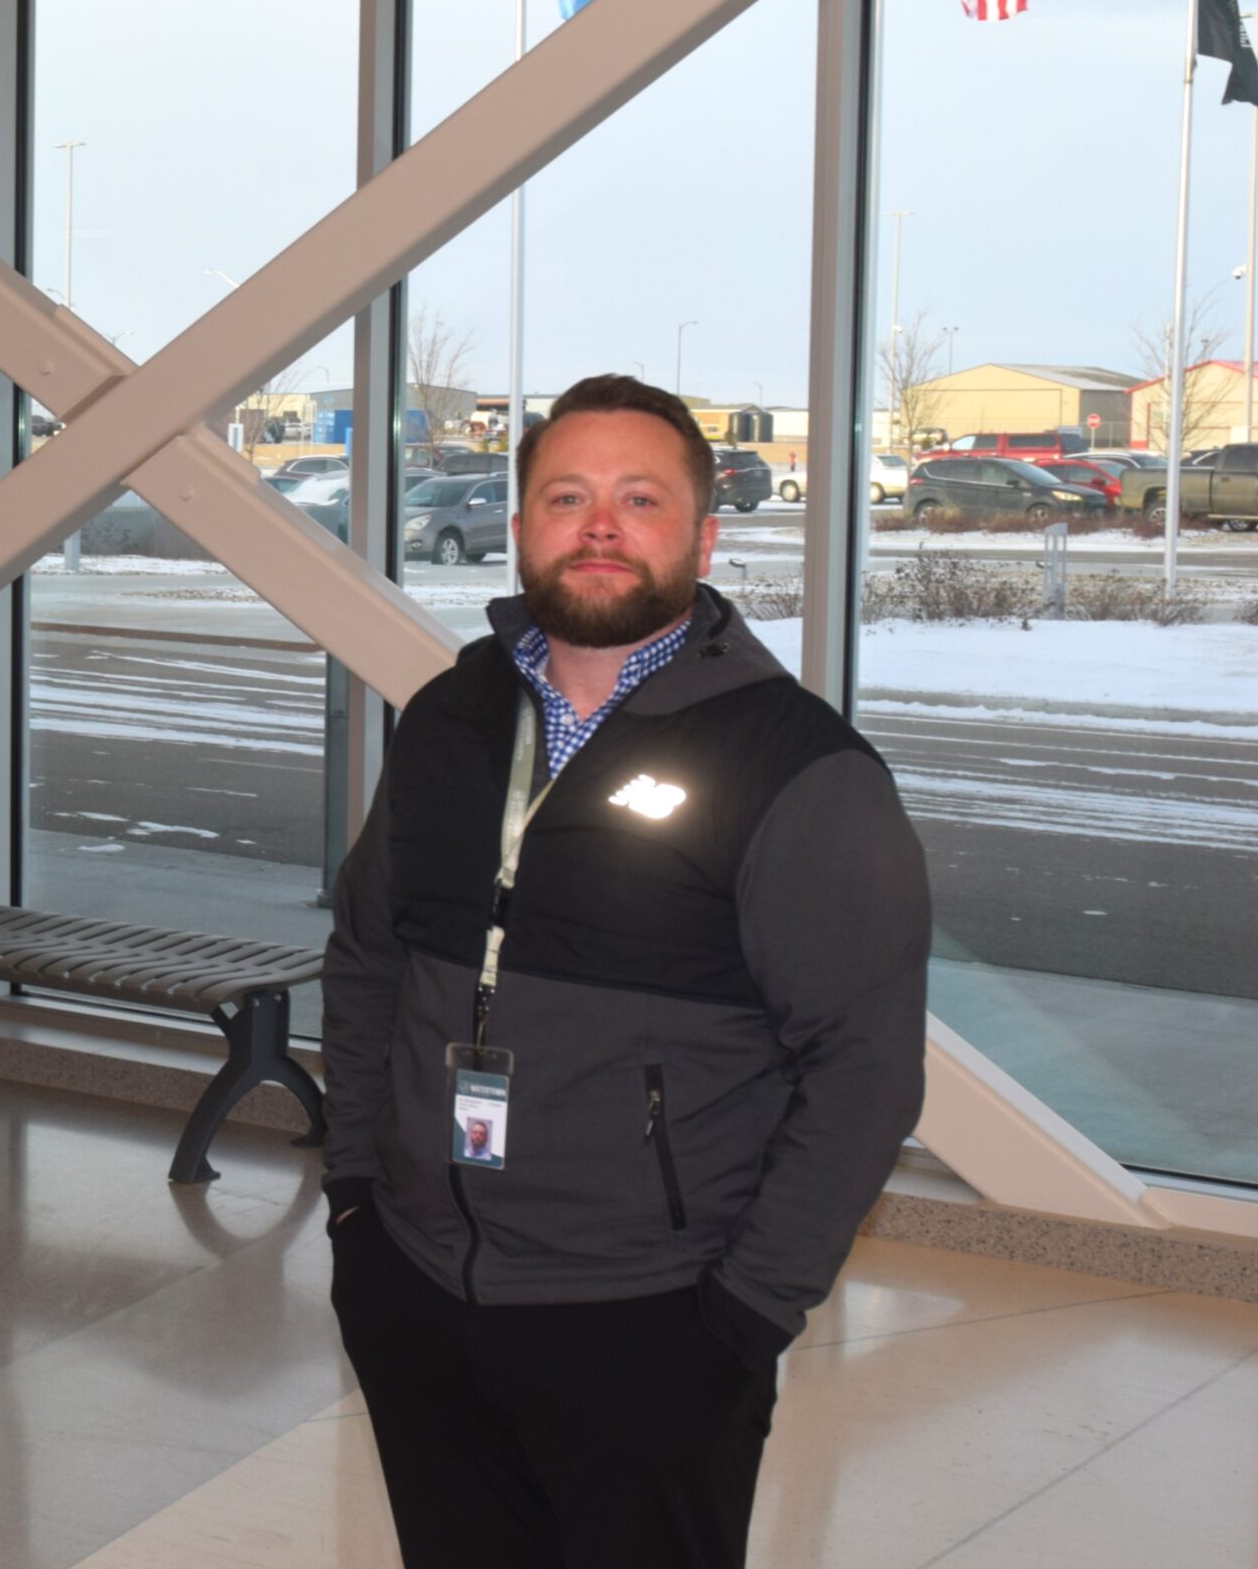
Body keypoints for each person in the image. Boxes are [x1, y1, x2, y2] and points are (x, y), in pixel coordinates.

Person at [320, 374, 930, 1569]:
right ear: (519, 529)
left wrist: (743, 1314)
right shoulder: (447, 719)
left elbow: (862, 1069)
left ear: (703, 536)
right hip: (417, 1282)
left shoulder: (801, 769)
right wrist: (356, 1201)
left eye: (638, 498)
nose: (599, 526)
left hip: (650, 1314)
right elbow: (364, 958)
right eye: (566, 496)